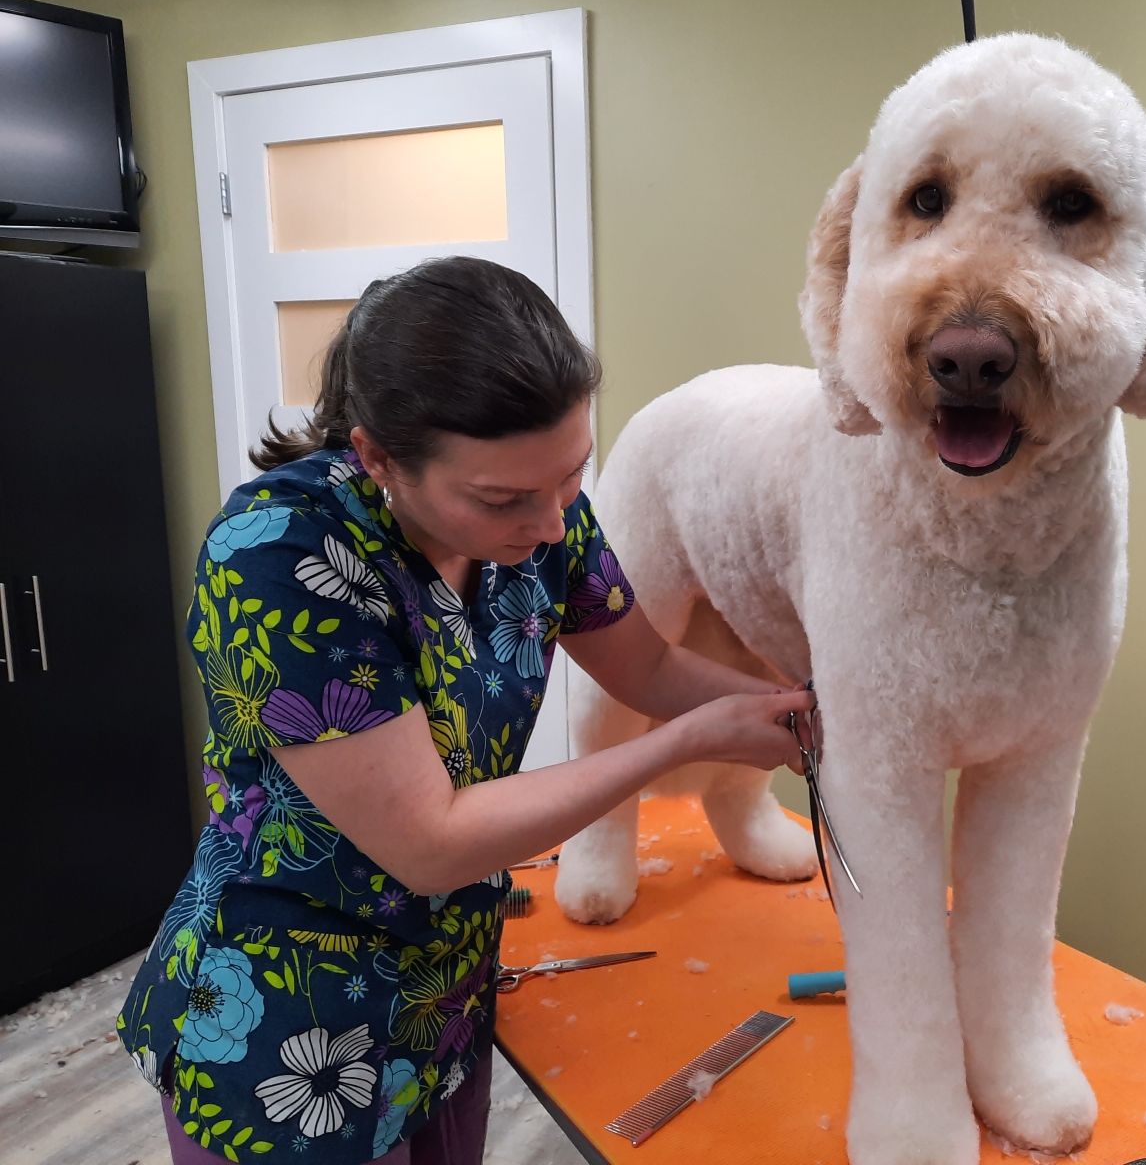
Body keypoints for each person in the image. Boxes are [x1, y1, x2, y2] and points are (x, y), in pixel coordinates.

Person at [117, 256, 813, 1164]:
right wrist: (684, 745)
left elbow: (644, 663)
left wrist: (800, 710)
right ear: (377, 458)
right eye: (503, 497)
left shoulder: (541, 515)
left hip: (443, 990)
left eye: (572, 475)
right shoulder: (278, 559)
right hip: (283, 1015)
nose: (556, 524)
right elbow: (429, 840)